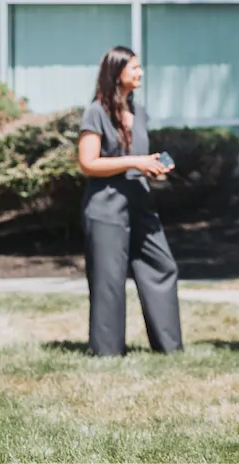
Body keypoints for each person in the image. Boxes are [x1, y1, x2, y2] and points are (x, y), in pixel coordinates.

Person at [76, 46, 183, 357]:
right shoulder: (96, 111)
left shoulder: (140, 112)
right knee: (109, 278)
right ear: (117, 72)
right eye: (134, 67)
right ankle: (107, 351)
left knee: (162, 265)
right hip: (106, 205)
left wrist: (153, 166)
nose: (140, 73)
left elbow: (138, 159)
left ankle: (169, 347)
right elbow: (88, 163)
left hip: (140, 202)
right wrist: (135, 161)